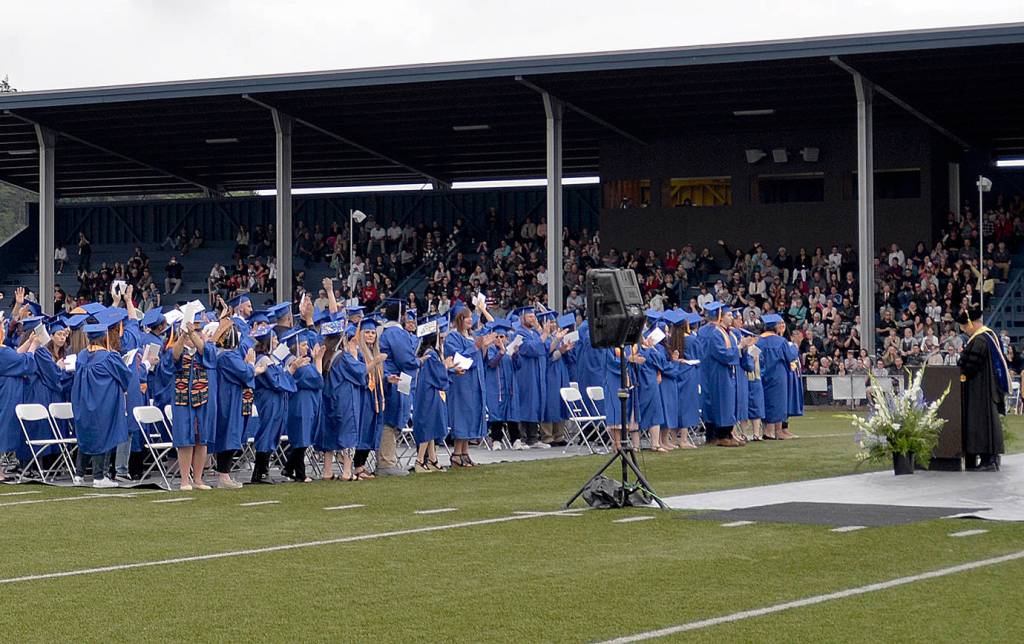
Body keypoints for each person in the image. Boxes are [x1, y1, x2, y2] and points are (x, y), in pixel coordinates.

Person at [71, 321, 129, 488]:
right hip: (104, 403)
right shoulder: (110, 357)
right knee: (102, 436)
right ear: (104, 337)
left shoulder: (81, 356)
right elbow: (125, 376)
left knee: (85, 436)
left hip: (83, 403)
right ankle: (99, 477)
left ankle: (79, 475)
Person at [957, 306, 1008, 471]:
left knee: (982, 422)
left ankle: (988, 460)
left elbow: (970, 365)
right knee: (986, 421)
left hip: (981, 389)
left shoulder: (980, 340)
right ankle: (989, 459)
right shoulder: (988, 337)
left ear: (972, 324)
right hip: (984, 387)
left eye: (965, 327)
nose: (965, 331)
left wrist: (960, 372)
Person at [170, 318, 219, 490]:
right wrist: (183, 336)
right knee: (185, 439)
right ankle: (185, 480)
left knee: (201, 439)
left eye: (198, 331)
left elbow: (206, 350)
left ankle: (198, 479)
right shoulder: (178, 350)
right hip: (182, 400)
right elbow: (174, 356)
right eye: (192, 331)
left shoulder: (207, 350)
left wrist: (192, 333)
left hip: (203, 398)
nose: (194, 334)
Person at [251, 326, 299, 484]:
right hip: (269, 400)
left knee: (273, 432)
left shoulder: (269, 359)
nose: (277, 341)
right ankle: (260, 473)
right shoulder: (264, 360)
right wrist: (291, 371)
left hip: (275, 400)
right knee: (267, 431)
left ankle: (262, 471)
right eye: (274, 339)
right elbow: (276, 382)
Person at [377, 300, 419, 476]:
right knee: (392, 418)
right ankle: (386, 463)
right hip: (397, 379)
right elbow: (405, 359)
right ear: (401, 315)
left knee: (394, 417)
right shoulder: (395, 332)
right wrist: (418, 361)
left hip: (394, 377)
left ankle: (389, 460)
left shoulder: (385, 331)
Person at [319, 321, 362, 481]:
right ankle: (346, 472)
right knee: (348, 433)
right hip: (344, 400)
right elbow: (360, 372)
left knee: (330, 434)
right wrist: (357, 355)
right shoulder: (343, 358)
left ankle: (327, 471)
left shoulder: (324, 355)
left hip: (328, 398)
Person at [282, 329, 324, 483]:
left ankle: (288, 468)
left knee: (303, 439)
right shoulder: (298, 364)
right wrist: (318, 360)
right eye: (304, 344)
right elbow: (319, 381)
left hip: (306, 403)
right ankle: (299, 473)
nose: (307, 347)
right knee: (301, 439)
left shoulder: (302, 362)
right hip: (301, 404)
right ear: (295, 346)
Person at [412, 324, 450, 473]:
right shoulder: (431, 355)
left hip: (428, 392)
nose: (442, 340)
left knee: (432, 425)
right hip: (429, 394)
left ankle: (433, 459)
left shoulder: (430, 353)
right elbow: (439, 376)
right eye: (440, 337)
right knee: (428, 425)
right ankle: (420, 460)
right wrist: (446, 365)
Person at [758, 314, 798, 440]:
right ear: (775, 326)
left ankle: (767, 430)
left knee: (766, 401)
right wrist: (794, 347)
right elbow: (790, 356)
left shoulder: (759, 340)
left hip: (764, 375)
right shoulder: (781, 341)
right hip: (778, 375)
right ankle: (775, 432)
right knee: (778, 402)